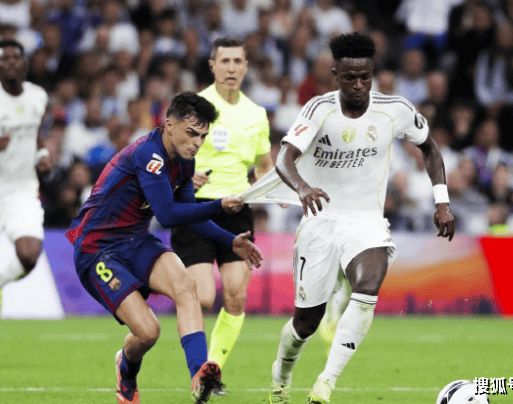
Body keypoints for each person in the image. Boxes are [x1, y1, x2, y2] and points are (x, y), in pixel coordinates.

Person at [263, 32, 455, 404]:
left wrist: (442, 201)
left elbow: (429, 148)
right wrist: (302, 188)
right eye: (350, 77)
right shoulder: (318, 110)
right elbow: (285, 157)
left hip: (367, 221)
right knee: (305, 324)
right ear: (335, 75)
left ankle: (326, 383)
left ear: (372, 73)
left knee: (368, 287)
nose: (358, 85)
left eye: (365, 76)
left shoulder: (394, 109)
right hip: (321, 220)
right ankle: (281, 377)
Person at [65, 92, 263, 404]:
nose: (197, 143)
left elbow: (190, 216)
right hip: (97, 248)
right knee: (148, 332)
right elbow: (168, 215)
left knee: (187, 286)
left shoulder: (184, 162)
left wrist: (230, 240)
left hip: (136, 240)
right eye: (191, 133)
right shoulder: (149, 154)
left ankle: (199, 373)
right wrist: (219, 205)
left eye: (203, 136)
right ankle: (125, 368)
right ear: (169, 124)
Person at [170, 36, 274, 394]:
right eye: (224, 61)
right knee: (201, 297)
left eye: (237, 61)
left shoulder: (257, 114)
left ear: (246, 67)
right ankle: (198, 366)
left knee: (235, 296)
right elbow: (167, 153)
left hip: (236, 210)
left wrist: (271, 188)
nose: (231, 68)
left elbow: (264, 165)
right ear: (212, 65)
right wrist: (184, 177)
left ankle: (209, 371)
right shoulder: (194, 107)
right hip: (196, 208)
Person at [0, 39, 51, 309]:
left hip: (22, 189)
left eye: (15, 57)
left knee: (29, 255)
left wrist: (42, 155)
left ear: (24, 64)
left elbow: (36, 132)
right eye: (4, 58)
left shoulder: (37, 96)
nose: (10, 62)